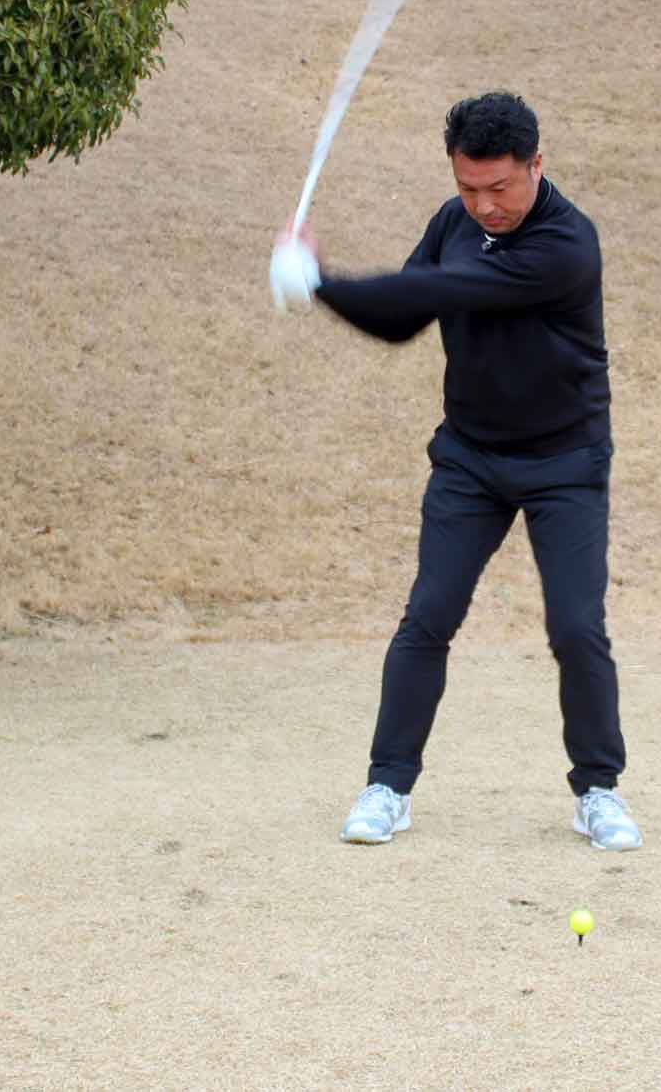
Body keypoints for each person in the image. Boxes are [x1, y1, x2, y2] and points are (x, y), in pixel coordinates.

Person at [270, 91, 640, 851]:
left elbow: (447, 290)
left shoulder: (568, 245)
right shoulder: (453, 223)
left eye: (499, 187)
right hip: (470, 456)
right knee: (428, 615)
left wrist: (320, 282)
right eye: (469, 188)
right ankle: (388, 785)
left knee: (577, 626)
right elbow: (406, 315)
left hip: (565, 460)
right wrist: (322, 284)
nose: (483, 206)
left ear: (537, 164)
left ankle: (598, 789)